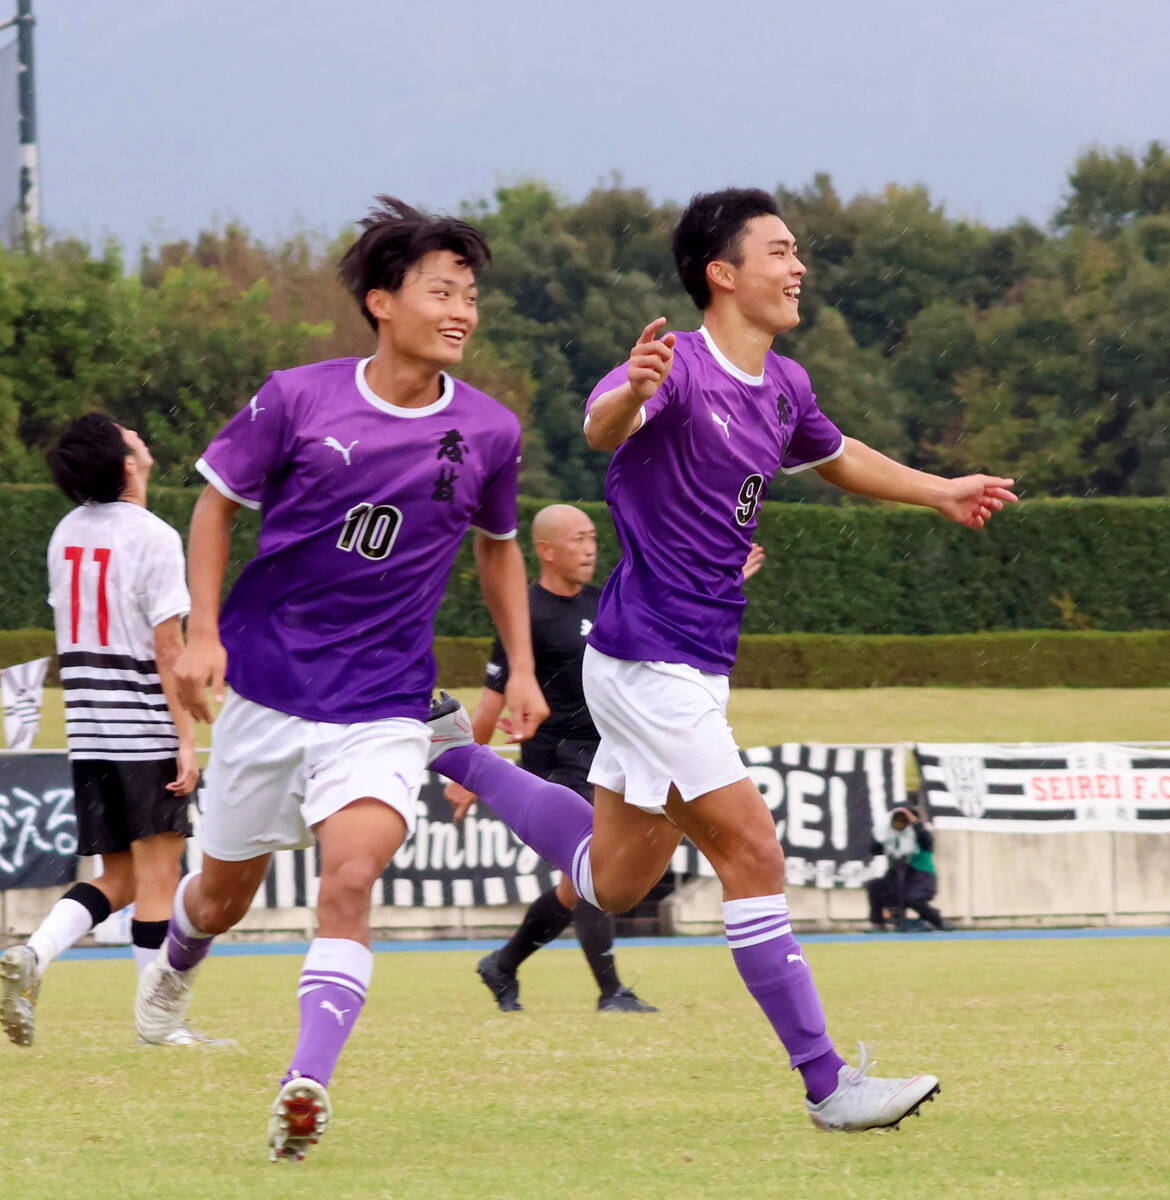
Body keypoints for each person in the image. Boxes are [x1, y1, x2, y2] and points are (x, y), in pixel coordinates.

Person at [429, 187, 1018, 1132]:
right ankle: (829, 1085)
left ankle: (452, 752)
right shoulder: (676, 369)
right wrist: (631, 385)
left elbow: (838, 456)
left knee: (612, 880)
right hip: (650, 660)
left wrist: (939, 490)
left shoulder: (784, 385)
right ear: (723, 273)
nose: (798, 268)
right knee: (753, 850)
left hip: (685, 664)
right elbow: (600, 424)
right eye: (780, 252)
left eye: (798, 253)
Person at [132, 197, 547, 1162]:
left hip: (383, 705)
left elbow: (497, 551)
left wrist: (520, 666)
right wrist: (201, 635)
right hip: (269, 696)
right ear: (381, 301)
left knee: (350, 878)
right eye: (441, 291)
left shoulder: (488, 431)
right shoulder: (297, 397)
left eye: (471, 295)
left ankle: (305, 1081)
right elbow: (215, 508)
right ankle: (169, 980)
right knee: (221, 896)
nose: (462, 312)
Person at [1, 413, 207, 1048]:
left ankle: (30, 956)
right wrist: (186, 736)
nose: (140, 438)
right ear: (125, 464)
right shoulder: (156, 537)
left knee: (117, 877)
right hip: (144, 729)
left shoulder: (64, 533)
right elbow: (168, 649)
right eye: (131, 438)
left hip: (89, 735)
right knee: (158, 880)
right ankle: (157, 1028)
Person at [445, 503, 656, 1014]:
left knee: (574, 887)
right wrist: (465, 770)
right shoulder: (526, 615)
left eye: (592, 539)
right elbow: (494, 700)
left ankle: (502, 965)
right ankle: (612, 993)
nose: (590, 549)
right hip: (556, 767)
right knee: (594, 876)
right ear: (546, 550)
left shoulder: (601, 601)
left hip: (606, 759)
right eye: (578, 539)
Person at [866, 807, 947, 932]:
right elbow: (875, 850)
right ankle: (879, 923)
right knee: (875, 886)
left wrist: (913, 820)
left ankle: (937, 920)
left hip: (922, 877)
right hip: (901, 877)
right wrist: (882, 833)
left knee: (912, 898)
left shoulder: (921, 837)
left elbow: (926, 838)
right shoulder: (893, 838)